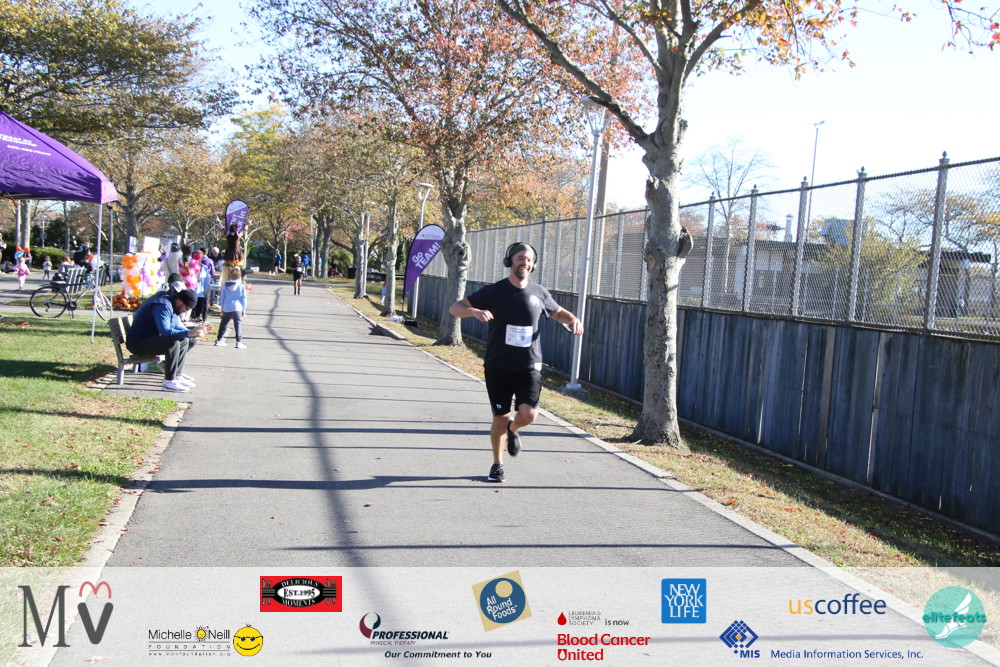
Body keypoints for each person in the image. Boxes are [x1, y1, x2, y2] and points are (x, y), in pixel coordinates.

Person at [448, 242, 583, 483]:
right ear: (509, 261)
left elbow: (558, 312)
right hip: (497, 365)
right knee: (499, 417)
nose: (525, 263)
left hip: (529, 365)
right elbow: (455, 308)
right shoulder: (494, 292)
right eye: (521, 258)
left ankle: (514, 428)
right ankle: (497, 464)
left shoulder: (540, 293)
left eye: (529, 259)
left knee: (529, 414)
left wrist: (573, 319)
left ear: (533, 265)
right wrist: (474, 312)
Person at [126, 288, 207, 392]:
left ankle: (177, 375)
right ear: (180, 301)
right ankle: (169, 382)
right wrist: (189, 333)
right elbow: (165, 331)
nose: (186, 311)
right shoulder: (162, 306)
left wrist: (193, 332)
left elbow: (176, 327)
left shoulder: (172, 306)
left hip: (150, 339)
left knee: (186, 340)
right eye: (187, 307)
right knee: (173, 342)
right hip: (138, 343)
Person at [215, 266, 248, 349]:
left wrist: (222, 306)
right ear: (239, 276)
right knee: (238, 324)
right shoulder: (241, 286)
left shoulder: (225, 285)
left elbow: (222, 297)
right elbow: (244, 298)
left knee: (224, 323)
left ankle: (219, 340)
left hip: (227, 306)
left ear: (229, 275)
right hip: (237, 307)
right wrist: (243, 309)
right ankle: (238, 342)